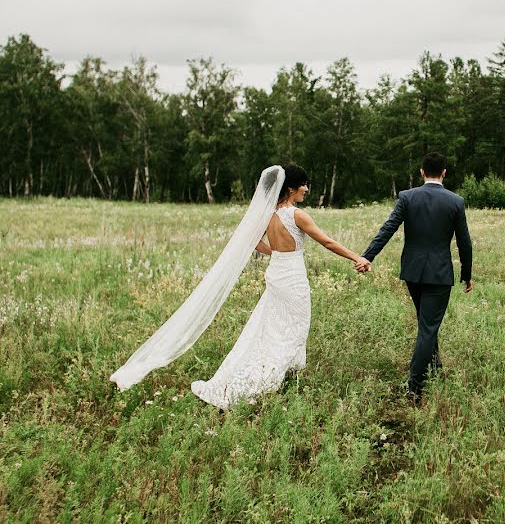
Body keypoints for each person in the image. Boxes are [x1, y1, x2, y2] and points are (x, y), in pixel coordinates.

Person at [111, 164, 369, 409]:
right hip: (292, 278)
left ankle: (282, 374)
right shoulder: (297, 215)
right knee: (294, 327)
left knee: (272, 325)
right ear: (290, 188)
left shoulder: (268, 215)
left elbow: (254, 241)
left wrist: (277, 254)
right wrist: (357, 257)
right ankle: (269, 378)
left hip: (277, 273)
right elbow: (327, 242)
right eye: (304, 185)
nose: (307, 189)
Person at [360, 152, 473, 403]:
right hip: (440, 274)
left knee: (426, 323)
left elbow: (388, 229)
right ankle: (415, 386)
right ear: (444, 172)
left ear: (422, 172)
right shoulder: (456, 201)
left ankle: (435, 367)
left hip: (413, 272)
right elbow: (464, 241)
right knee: (428, 327)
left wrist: (368, 256)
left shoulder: (407, 197)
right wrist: (466, 274)